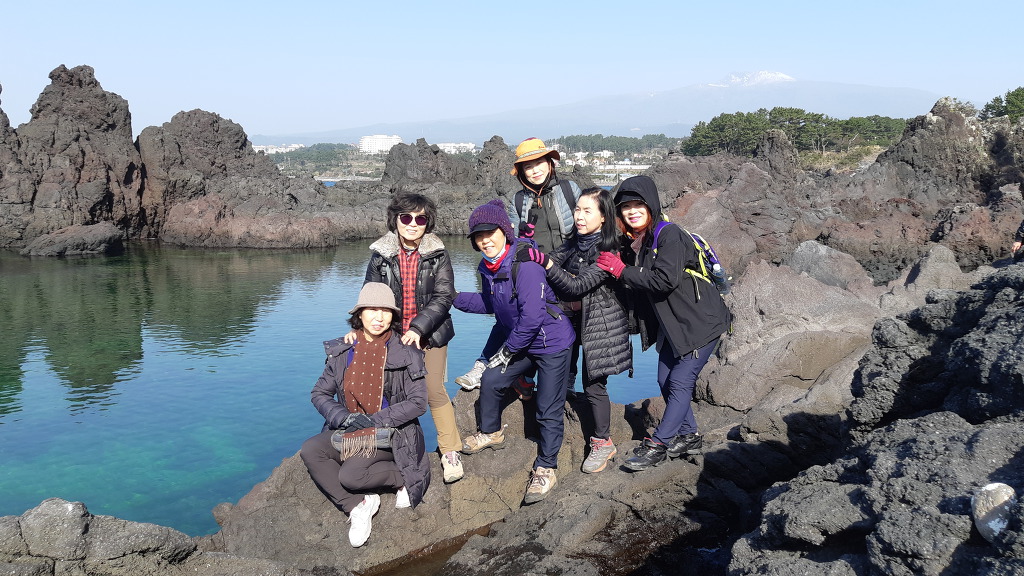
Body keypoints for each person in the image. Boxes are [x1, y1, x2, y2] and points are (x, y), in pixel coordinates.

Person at [595, 175, 731, 471]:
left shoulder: (669, 235)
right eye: (625, 207)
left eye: (638, 205)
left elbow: (664, 280)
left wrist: (620, 270)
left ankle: (658, 445)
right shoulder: (637, 241)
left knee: (680, 381)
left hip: (700, 322)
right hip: (675, 326)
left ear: (651, 205)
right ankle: (689, 436)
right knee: (664, 379)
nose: (632, 211)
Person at [453, 199, 575, 503]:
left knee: (547, 407)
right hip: (523, 342)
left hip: (551, 343)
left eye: (490, 233)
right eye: (478, 236)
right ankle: (491, 432)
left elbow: (532, 316)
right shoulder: (487, 266)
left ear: (504, 232)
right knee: (492, 379)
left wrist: (507, 351)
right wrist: (452, 298)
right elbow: (490, 303)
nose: (485, 240)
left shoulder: (526, 264)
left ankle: (547, 467)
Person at [300, 282, 430, 548]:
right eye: (372, 310)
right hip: (350, 428)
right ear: (359, 314)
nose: (379, 317)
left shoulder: (407, 352)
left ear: (393, 316)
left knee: (351, 476)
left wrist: (376, 420)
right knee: (311, 450)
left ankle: (403, 476)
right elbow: (319, 393)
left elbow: (418, 403)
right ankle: (358, 505)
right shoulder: (343, 351)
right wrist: (343, 418)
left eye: (386, 311)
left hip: (391, 433)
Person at [517, 187, 633, 473]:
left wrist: (546, 263)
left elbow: (576, 285)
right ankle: (556, 420)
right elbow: (549, 264)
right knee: (561, 376)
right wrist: (528, 245)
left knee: (594, 385)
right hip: (569, 322)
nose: (579, 216)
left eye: (587, 211)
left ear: (603, 217)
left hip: (600, 326)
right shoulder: (572, 244)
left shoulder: (610, 250)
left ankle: (603, 442)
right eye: (577, 209)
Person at [455, 138, 582, 391]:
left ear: (550, 163)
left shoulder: (569, 189)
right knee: (508, 315)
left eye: (539, 163)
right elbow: (514, 239)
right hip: (531, 271)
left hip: (568, 272)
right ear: (521, 172)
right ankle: (490, 367)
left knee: (570, 325)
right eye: (528, 166)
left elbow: (585, 226)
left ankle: (566, 382)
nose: (535, 170)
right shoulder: (519, 199)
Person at [360, 193, 464, 484]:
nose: (413, 224)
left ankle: (450, 451)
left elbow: (444, 297)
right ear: (395, 220)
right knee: (394, 395)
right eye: (406, 217)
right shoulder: (380, 256)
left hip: (431, 335)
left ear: (428, 223)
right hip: (392, 337)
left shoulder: (438, 254)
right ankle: (395, 452)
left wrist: (418, 329)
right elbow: (370, 298)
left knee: (432, 390)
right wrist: (360, 332)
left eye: (420, 219)